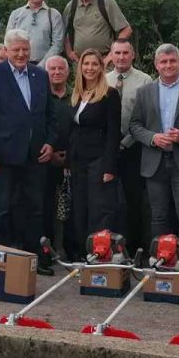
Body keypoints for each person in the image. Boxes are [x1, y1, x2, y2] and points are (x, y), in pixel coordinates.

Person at [0, 30, 57, 264]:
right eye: (16, 50)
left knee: (34, 208)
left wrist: (50, 142)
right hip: (1, 156)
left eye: (25, 49)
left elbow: (50, 115)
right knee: (1, 209)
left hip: (35, 156)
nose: (21, 54)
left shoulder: (40, 75)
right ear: (6, 50)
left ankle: (34, 259)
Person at [129, 43, 179, 242]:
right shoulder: (144, 91)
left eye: (172, 61)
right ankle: (160, 259)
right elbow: (134, 125)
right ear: (156, 65)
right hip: (154, 162)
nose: (168, 65)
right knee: (158, 216)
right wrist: (152, 138)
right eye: (163, 62)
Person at [67, 49, 122, 257]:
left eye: (94, 64)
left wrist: (109, 166)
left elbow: (113, 133)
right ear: (80, 67)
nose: (89, 68)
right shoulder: (77, 93)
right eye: (86, 64)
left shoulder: (110, 94)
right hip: (77, 159)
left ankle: (99, 252)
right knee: (80, 206)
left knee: (99, 208)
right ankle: (82, 251)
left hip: (99, 159)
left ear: (101, 68)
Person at [106, 38, 153, 251]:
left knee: (134, 199)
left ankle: (134, 247)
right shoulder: (103, 79)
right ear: (111, 55)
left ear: (132, 55)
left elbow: (147, 118)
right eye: (117, 53)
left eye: (125, 53)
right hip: (107, 148)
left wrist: (124, 143)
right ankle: (110, 243)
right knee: (109, 199)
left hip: (134, 148)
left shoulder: (145, 81)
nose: (121, 57)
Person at [62, 0, 132, 61]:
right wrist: (69, 52)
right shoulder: (71, 6)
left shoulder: (106, 3)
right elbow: (62, 32)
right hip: (81, 63)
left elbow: (126, 30)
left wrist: (112, 54)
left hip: (104, 61)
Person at [43, 56, 73, 256]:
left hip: (73, 158)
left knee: (71, 206)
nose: (56, 72)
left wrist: (70, 155)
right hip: (46, 158)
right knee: (46, 206)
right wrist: (50, 151)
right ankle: (47, 248)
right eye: (52, 68)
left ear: (68, 72)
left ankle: (70, 248)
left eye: (60, 68)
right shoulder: (41, 96)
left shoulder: (78, 94)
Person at [7, 0, 64, 64]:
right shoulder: (16, 14)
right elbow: (9, 42)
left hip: (45, 67)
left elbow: (57, 45)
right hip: (19, 65)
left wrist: (42, 66)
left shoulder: (54, 15)